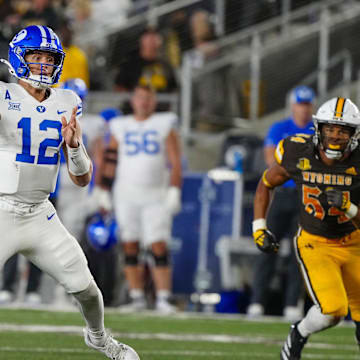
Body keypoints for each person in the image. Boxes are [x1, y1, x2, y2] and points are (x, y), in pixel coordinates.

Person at [0, 25, 139, 360]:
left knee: (87, 289)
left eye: (49, 58)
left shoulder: (67, 102)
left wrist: (74, 146)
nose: (44, 65)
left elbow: (82, 178)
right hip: (2, 210)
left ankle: (99, 338)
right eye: (36, 57)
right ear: (19, 58)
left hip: (40, 214)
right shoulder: (3, 96)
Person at [252, 96, 360, 359]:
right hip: (316, 242)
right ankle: (298, 333)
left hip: (354, 242)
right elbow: (267, 183)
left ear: (354, 135)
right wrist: (258, 227)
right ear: (318, 129)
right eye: (330, 129)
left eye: (342, 130)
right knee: (333, 311)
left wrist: (350, 207)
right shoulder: (297, 150)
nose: (335, 136)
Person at [94, 84, 182, 313]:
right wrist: (103, 188)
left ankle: (163, 297)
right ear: (133, 100)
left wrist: (175, 188)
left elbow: (175, 161)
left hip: (156, 194)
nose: (144, 102)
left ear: (154, 101)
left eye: (148, 98)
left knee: (158, 244)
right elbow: (110, 158)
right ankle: (137, 297)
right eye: (140, 98)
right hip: (126, 194)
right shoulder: (120, 126)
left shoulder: (164, 124)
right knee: (130, 244)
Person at [247, 85, 315, 320]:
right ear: (293, 105)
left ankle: (293, 303)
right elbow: (271, 160)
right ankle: (257, 300)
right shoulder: (280, 128)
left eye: (307, 104)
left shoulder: (315, 130)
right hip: (281, 193)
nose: (303, 109)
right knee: (267, 245)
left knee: (301, 249)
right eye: (300, 104)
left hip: (306, 196)